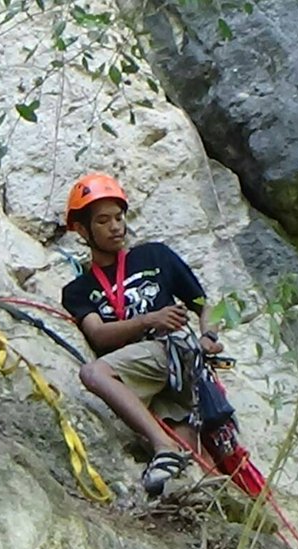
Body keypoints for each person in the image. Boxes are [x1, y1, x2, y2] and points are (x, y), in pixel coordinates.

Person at [60, 173, 224, 496]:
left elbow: (206, 305)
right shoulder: (79, 290)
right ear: (82, 230)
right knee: (182, 465)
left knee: (95, 372)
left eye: (119, 218)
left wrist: (210, 338)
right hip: (142, 369)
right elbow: (98, 334)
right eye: (103, 221)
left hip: (172, 353)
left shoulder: (154, 257)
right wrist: (150, 318)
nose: (116, 227)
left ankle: (163, 445)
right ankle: (183, 470)